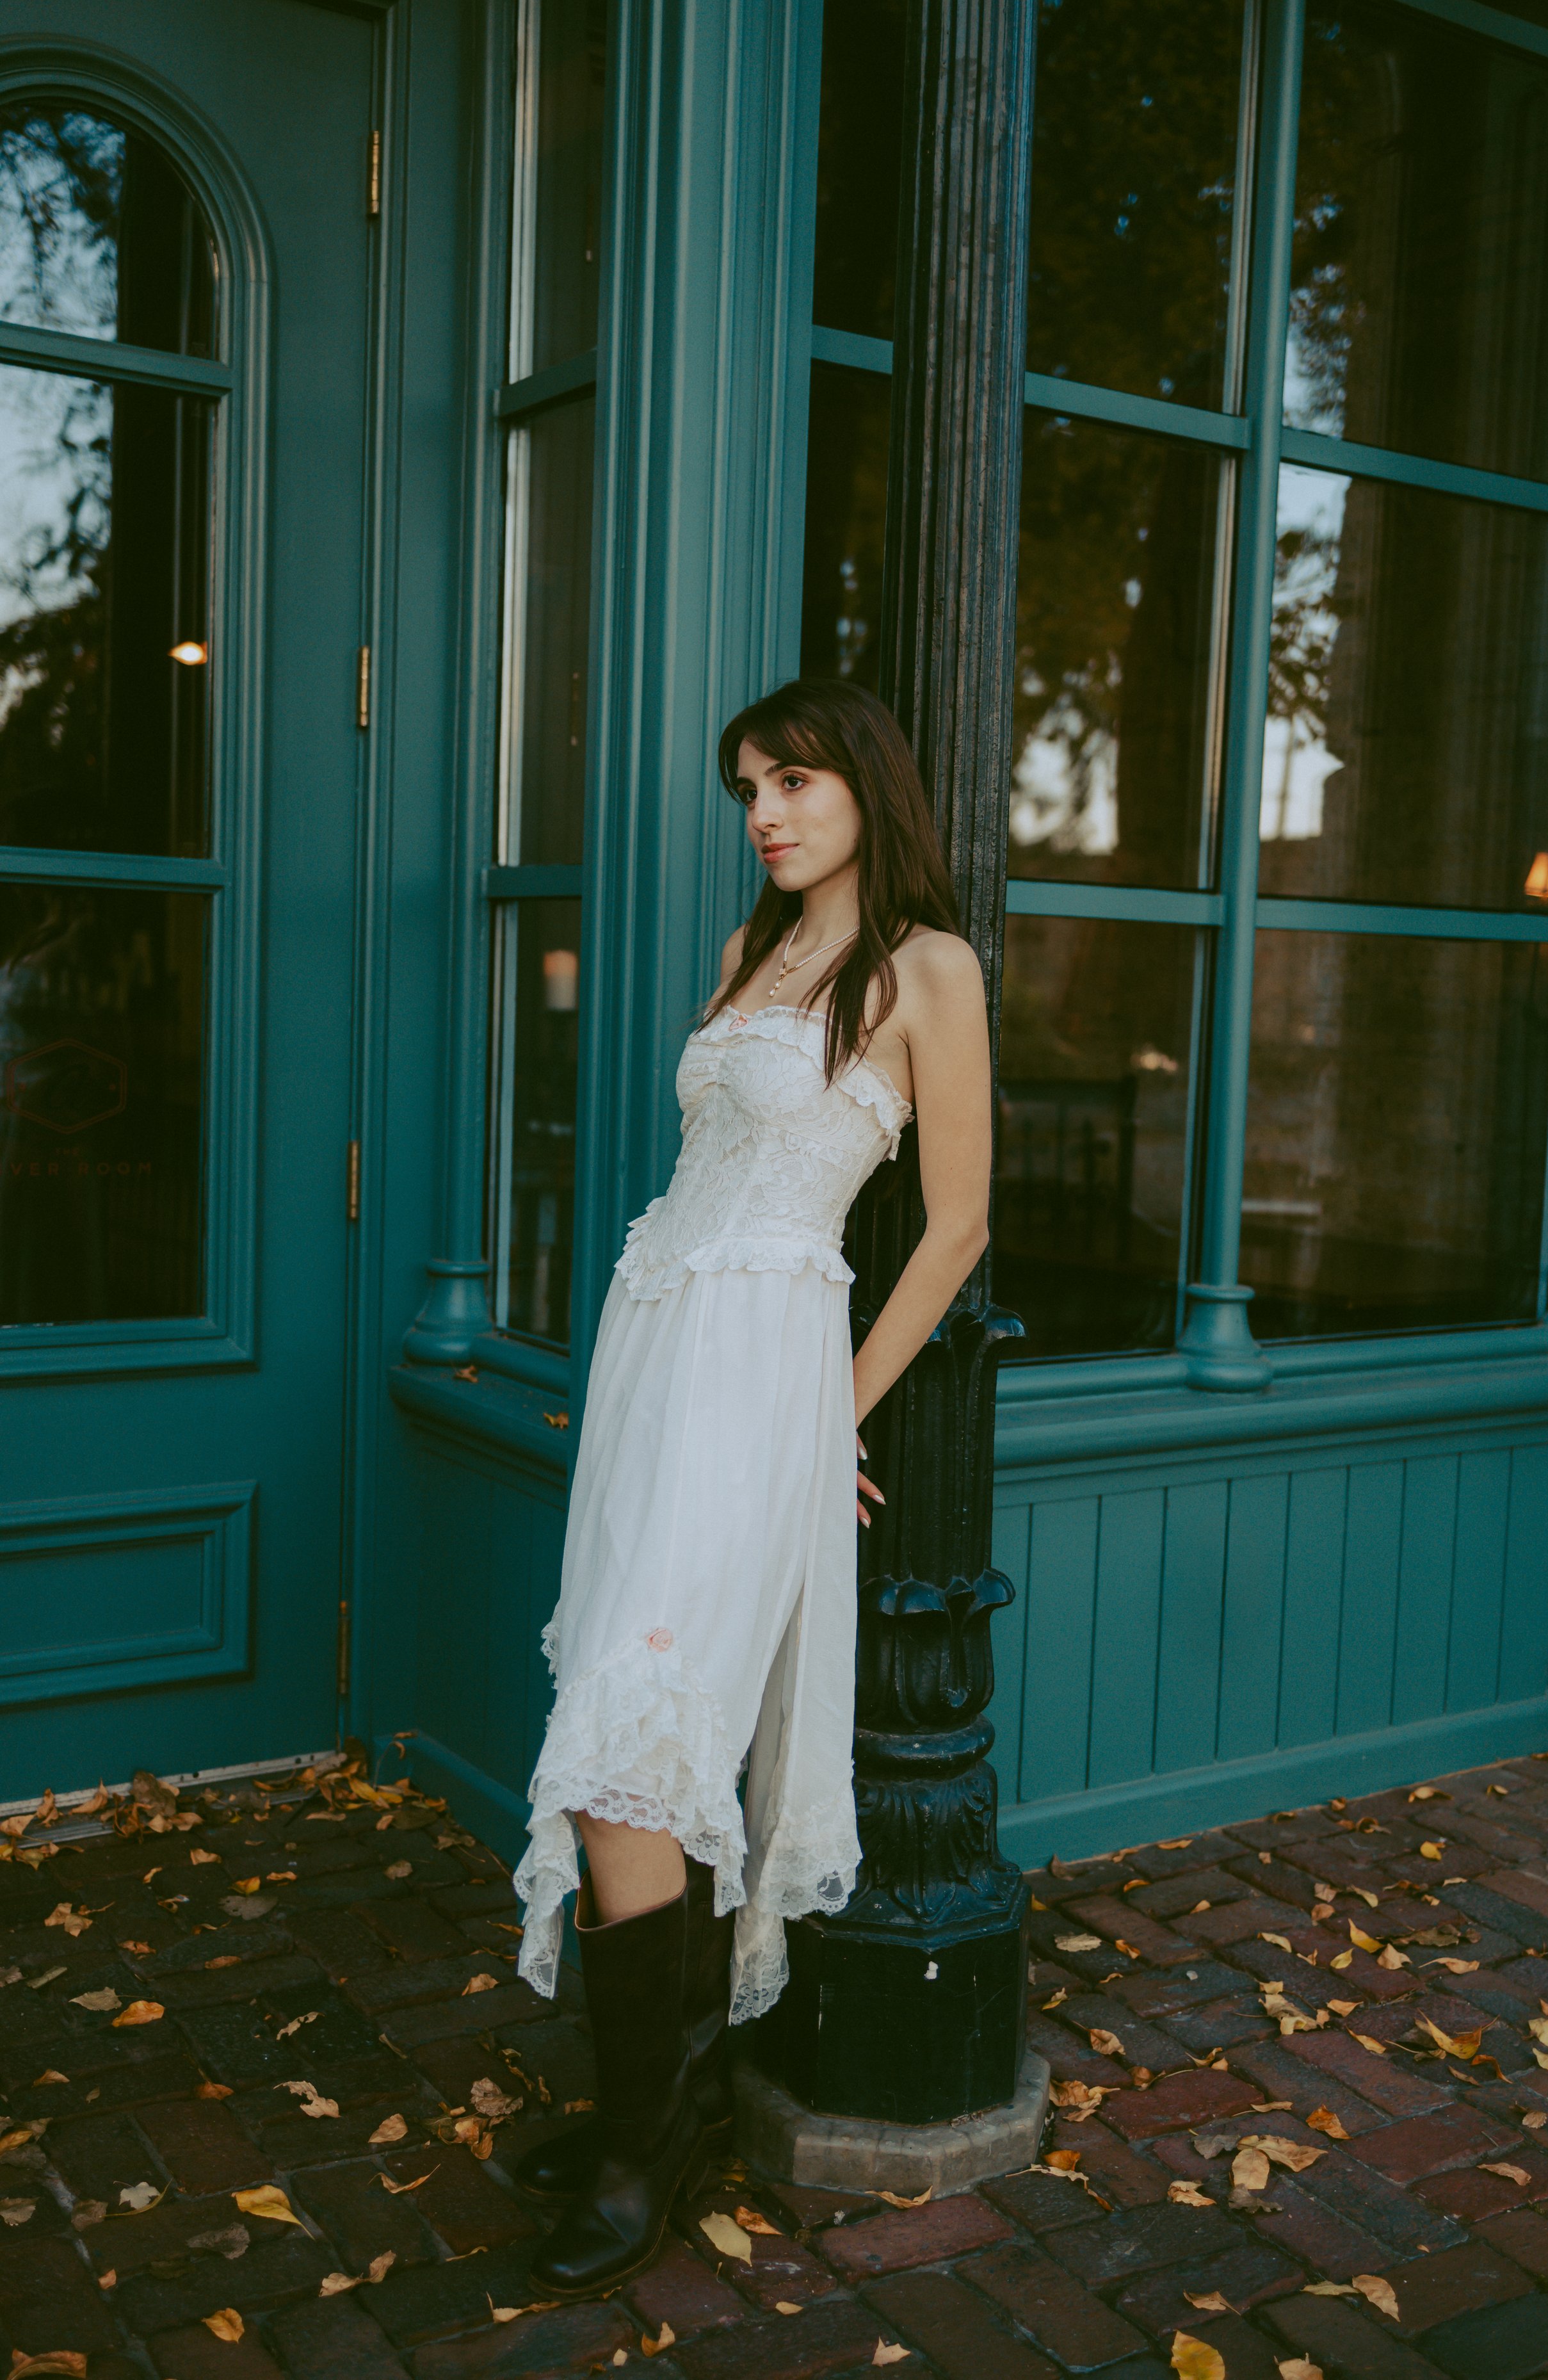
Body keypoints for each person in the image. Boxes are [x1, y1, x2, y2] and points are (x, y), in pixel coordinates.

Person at [511, 676, 993, 2298]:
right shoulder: (744, 959)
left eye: (792, 781)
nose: (765, 813)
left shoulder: (927, 970)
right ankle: (664, 2100)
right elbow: (692, 1183)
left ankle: (644, 2139)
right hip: (652, 1362)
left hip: (758, 1384)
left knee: (628, 1747)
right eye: (745, 788)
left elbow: (952, 1231)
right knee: (614, 1704)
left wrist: (825, 1415)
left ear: (866, 785)